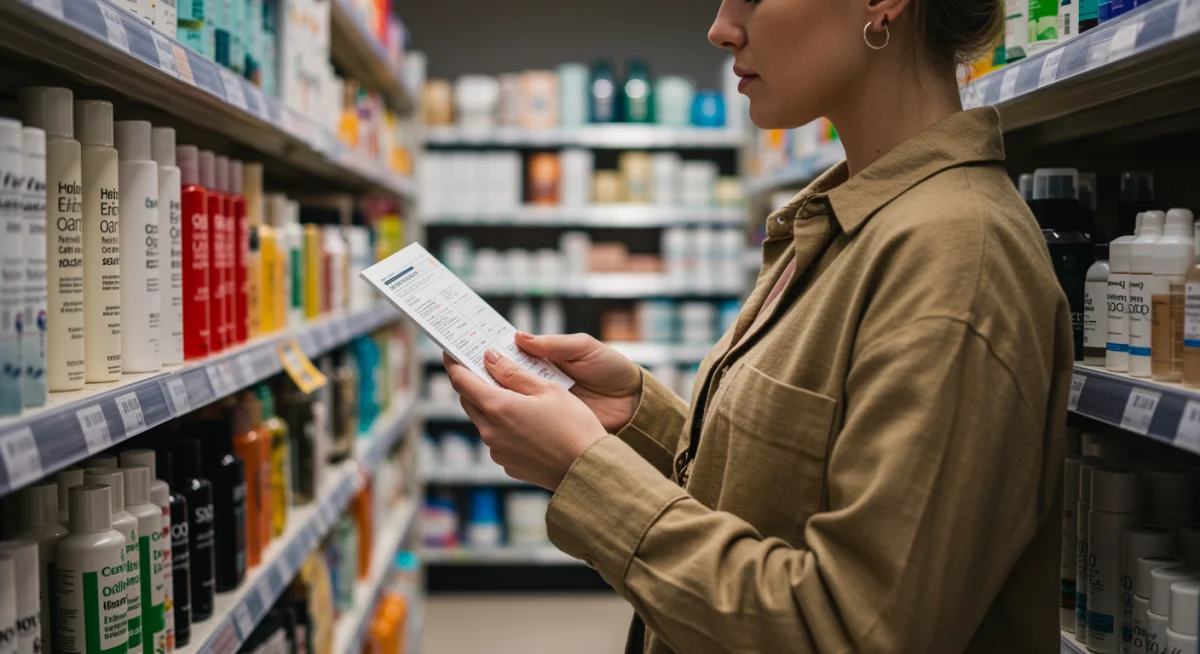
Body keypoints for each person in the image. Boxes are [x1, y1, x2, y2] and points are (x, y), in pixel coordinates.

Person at [442, 0, 1072, 651]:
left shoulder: (956, 257)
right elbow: (781, 494)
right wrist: (637, 419)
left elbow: (852, 631)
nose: (719, 28)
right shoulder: (845, 218)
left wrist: (585, 471)